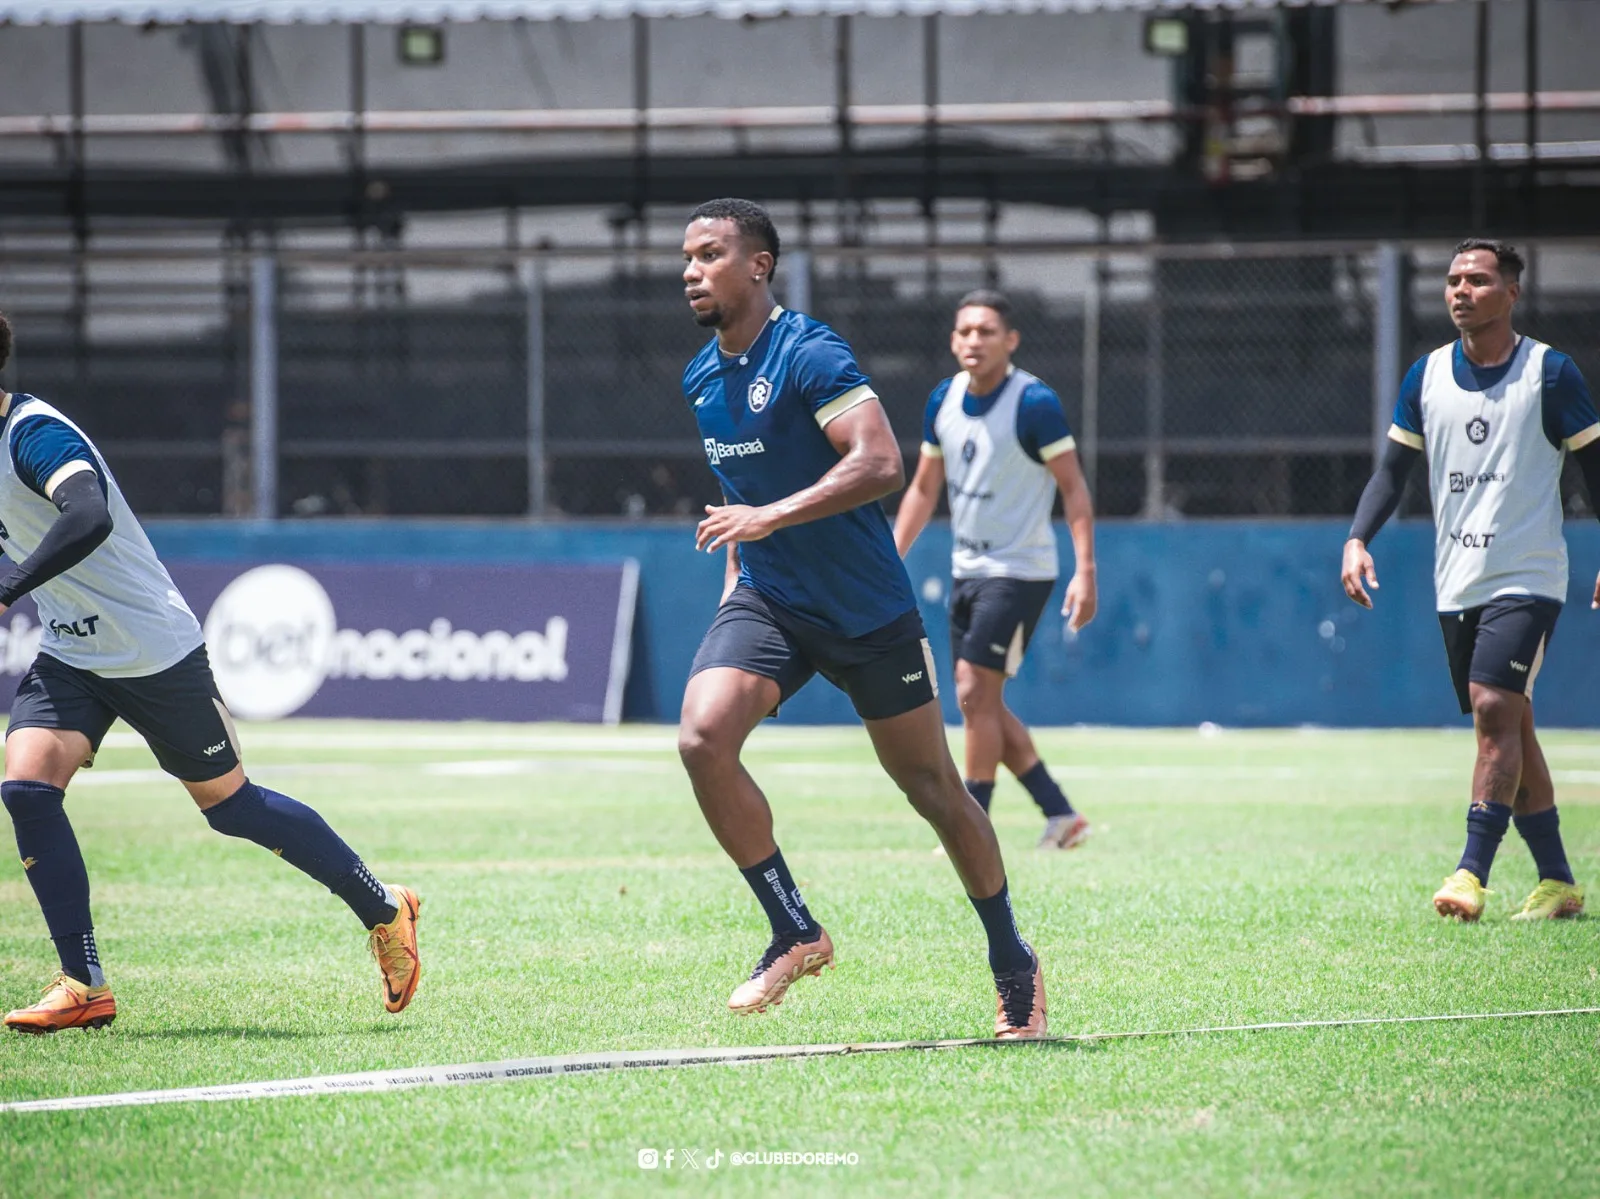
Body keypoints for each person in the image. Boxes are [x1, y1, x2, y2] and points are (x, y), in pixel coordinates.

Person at [677, 198, 1046, 1037]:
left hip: (865, 608)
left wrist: (769, 515)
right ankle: (793, 929)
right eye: (687, 258)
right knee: (702, 737)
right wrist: (746, 551)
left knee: (932, 789)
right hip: (769, 597)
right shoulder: (702, 377)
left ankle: (1011, 959)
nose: (691, 271)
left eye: (709, 255)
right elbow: (744, 494)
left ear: (758, 265)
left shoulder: (808, 351)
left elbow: (880, 462)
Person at [0, 312, 421, 1033]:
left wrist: (9, 590)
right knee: (26, 786)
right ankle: (84, 981)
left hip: (152, 649)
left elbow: (89, 514)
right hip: (73, 651)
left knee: (231, 807)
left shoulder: (33, 435)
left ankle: (384, 907)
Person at [1342, 239, 1600, 923]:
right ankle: (1557, 880)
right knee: (1512, 718)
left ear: (1511, 291)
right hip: (1457, 579)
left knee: (1492, 706)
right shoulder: (1425, 376)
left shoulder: (1550, 373)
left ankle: (1470, 872)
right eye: (1454, 279)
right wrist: (1357, 538)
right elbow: (1391, 472)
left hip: (1528, 574)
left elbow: (1594, 468)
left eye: (1478, 280)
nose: (1460, 290)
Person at [894, 290, 1097, 849]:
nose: (973, 341)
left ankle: (970, 823)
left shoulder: (1033, 404)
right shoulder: (944, 400)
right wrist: (892, 554)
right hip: (967, 568)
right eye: (964, 331)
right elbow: (924, 487)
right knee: (978, 699)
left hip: (1019, 571)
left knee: (971, 690)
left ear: (1010, 341)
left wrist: (1086, 571)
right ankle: (1060, 814)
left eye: (986, 331)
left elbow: (1074, 489)